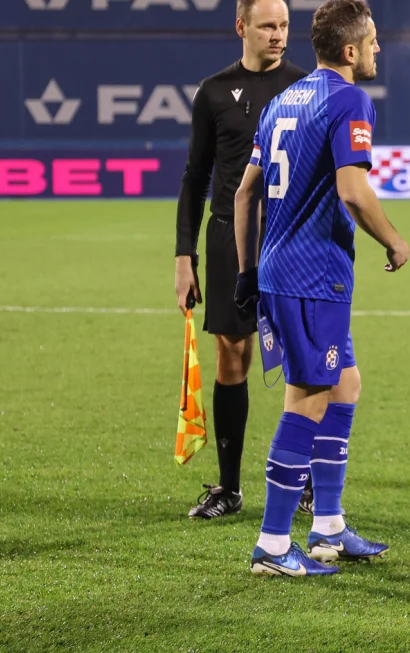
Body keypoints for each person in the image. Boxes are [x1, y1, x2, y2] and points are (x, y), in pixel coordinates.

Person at [233, 0, 410, 577]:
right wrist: (393, 240)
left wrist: (245, 272)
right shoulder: (349, 99)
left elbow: (244, 194)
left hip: (284, 270)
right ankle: (272, 543)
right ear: (351, 50)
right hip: (313, 276)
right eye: (374, 42)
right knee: (307, 399)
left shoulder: (284, 99)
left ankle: (328, 527)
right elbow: (354, 190)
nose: (379, 50)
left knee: (345, 384)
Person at [173, 0, 307, 520]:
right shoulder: (212, 92)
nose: (278, 35)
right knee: (234, 356)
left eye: (285, 26)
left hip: (291, 237)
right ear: (241, 27)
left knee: (305, 360)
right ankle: (229, 489)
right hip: (229, 238)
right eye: (268, 26)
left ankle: (307, 483)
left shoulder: (306, 87)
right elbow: (194, 177)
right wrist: (185, 256)